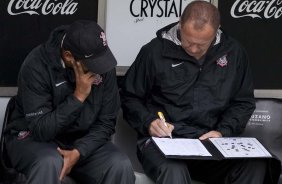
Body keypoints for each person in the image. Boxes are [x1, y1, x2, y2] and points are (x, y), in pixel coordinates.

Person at [121, 1, 280, 184]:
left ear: (216, 31)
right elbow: (129, 97)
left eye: (202, 44)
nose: (194, 50)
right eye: (188, 42)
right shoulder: (154, 51)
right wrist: (148, 122)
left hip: (212, 143)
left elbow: (242, 102)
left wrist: (222, 132)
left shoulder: (233, 52)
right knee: (174, 170)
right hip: (165, 141)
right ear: (180, 24)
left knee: (256, 165)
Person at [5, 20, 135, 184]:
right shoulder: (36, 65)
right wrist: (78, 97)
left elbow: (107, 123)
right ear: (68, 56)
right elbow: (40, 129)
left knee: (119, 164)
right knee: (49, 162)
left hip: (83, 140)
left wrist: (79, 151)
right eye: (92, 65)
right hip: (34, 138)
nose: (99, 69)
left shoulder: (102, 63)